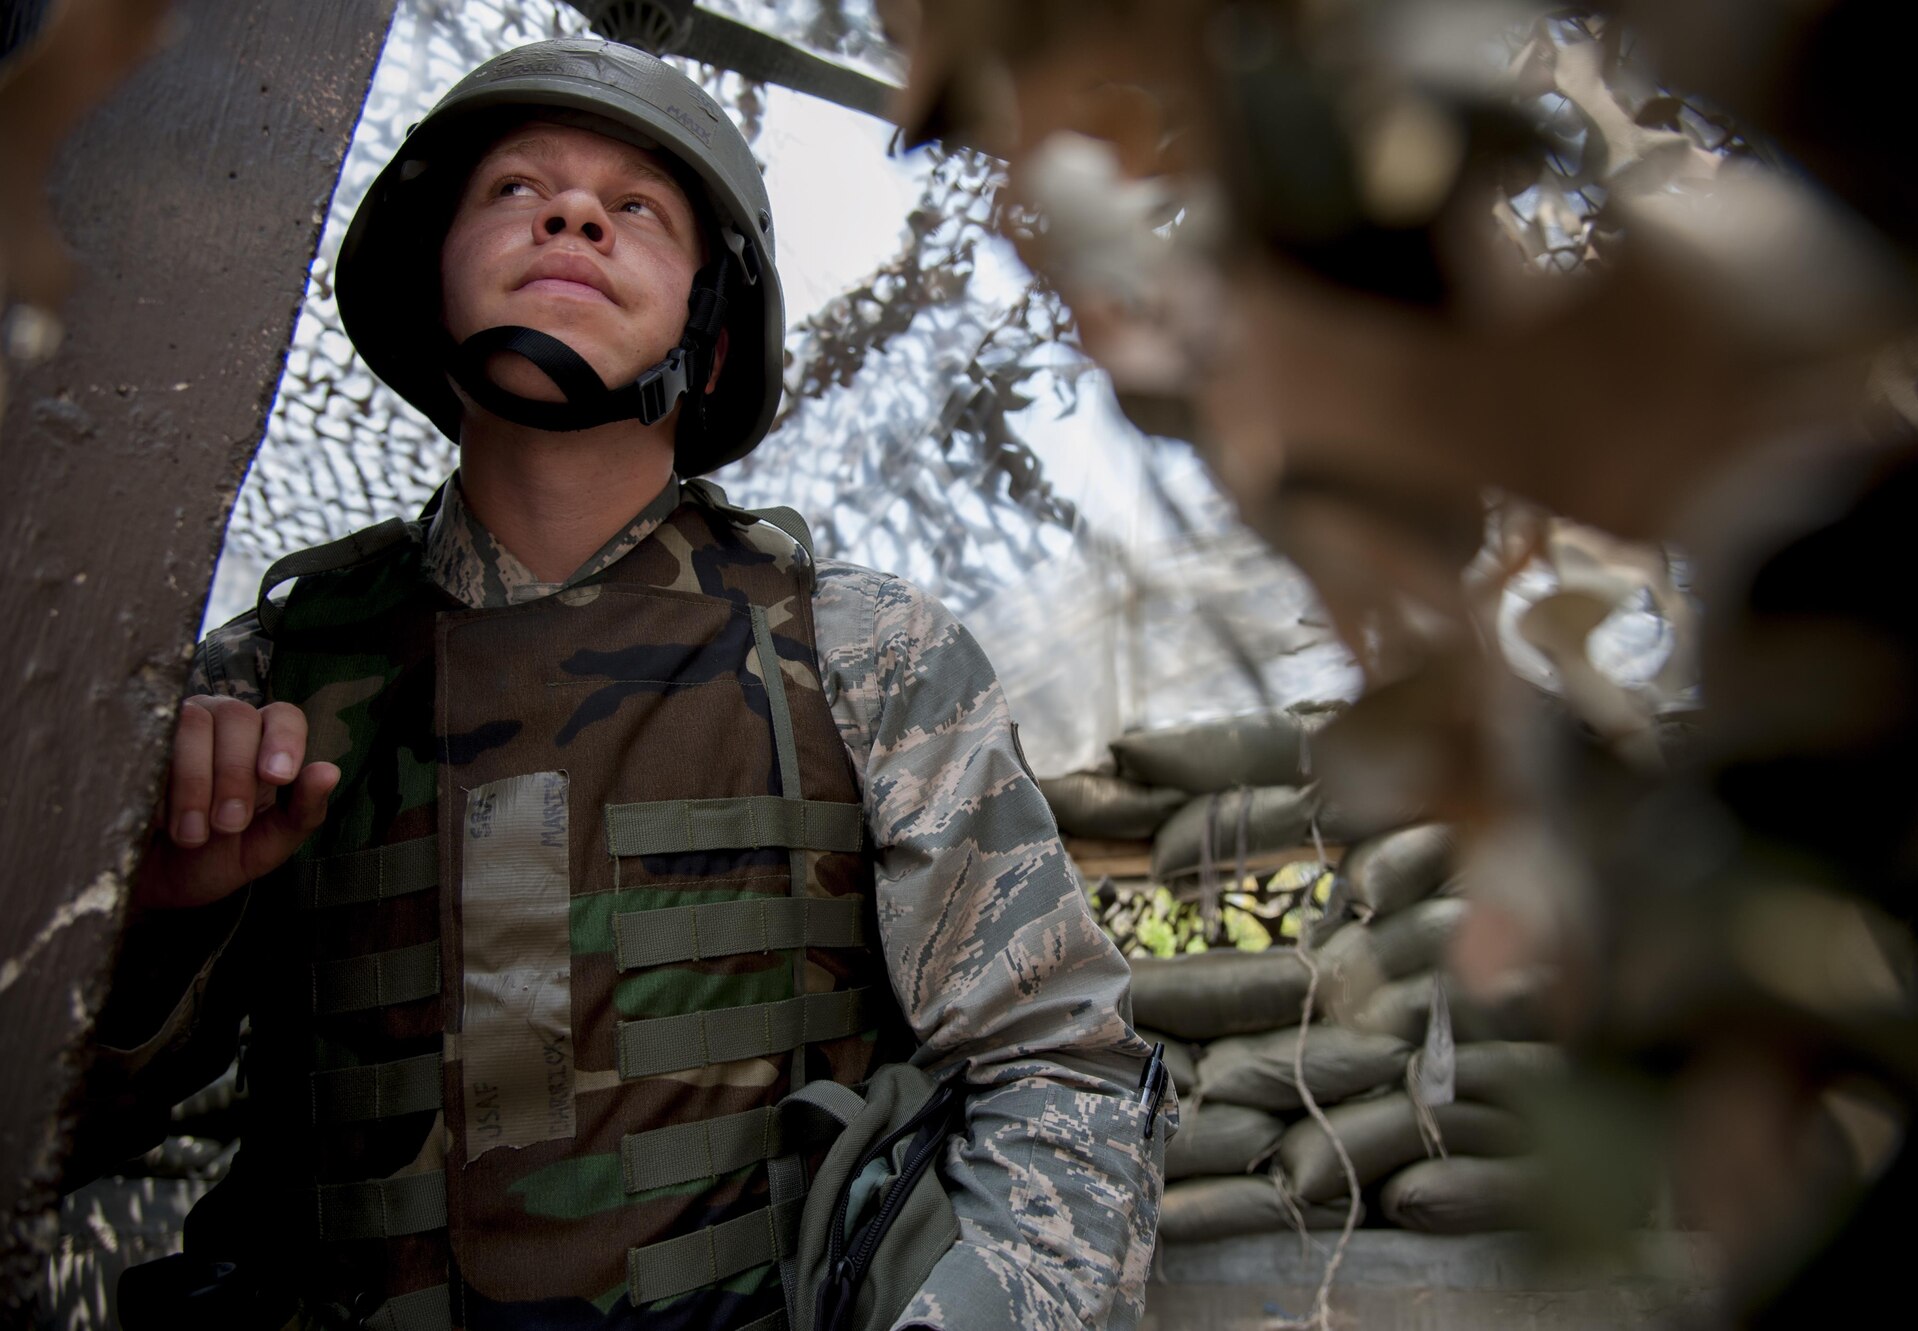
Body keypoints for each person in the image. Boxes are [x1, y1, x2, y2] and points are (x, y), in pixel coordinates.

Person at [78, 36, 1166, 1331]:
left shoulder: (856, 654)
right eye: (512, 189)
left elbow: (1060, 1066)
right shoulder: (256, 690)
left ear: (711, 342)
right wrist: (150, 930)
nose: (572, 212)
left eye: (636, 208)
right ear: (432, 285)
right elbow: (66, 1132)